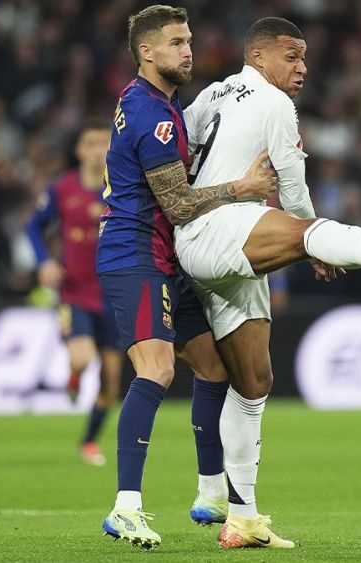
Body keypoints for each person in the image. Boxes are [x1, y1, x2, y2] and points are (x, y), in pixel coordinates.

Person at [175, 16, 361, 549]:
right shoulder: (274, 103)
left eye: (304, 57)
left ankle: (242, 518)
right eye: (291, 55)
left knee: (253, 383)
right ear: (258, 58)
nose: (302, 66)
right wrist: (309, 241)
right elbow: (293, 182)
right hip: (219, 231)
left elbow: (178, 159)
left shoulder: (210, 95)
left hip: (215, 240)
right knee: (316, 232)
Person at [96, 5, 279, 550]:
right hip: (136, 254)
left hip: (164, 257)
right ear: (147, 52)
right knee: (155, 370)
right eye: (176, 43)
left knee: (214, 366)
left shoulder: (157, 105)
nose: (188, 51)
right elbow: (176, 204)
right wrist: (240, 189)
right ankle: (125, 507)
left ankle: (209, 493)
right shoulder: (153, 114)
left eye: (189, 40)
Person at [25, 117, 122, 467]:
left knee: (111, 381)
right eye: (91, 144)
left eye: (104, 143)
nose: (98, 151)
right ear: (80, 150)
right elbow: (33, 226)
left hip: (113, 295)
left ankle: (89, 442)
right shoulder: (63, 189)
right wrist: (44, 261)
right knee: (81, 358)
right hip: (75, 294)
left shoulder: (122, 187)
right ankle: (74, 375)